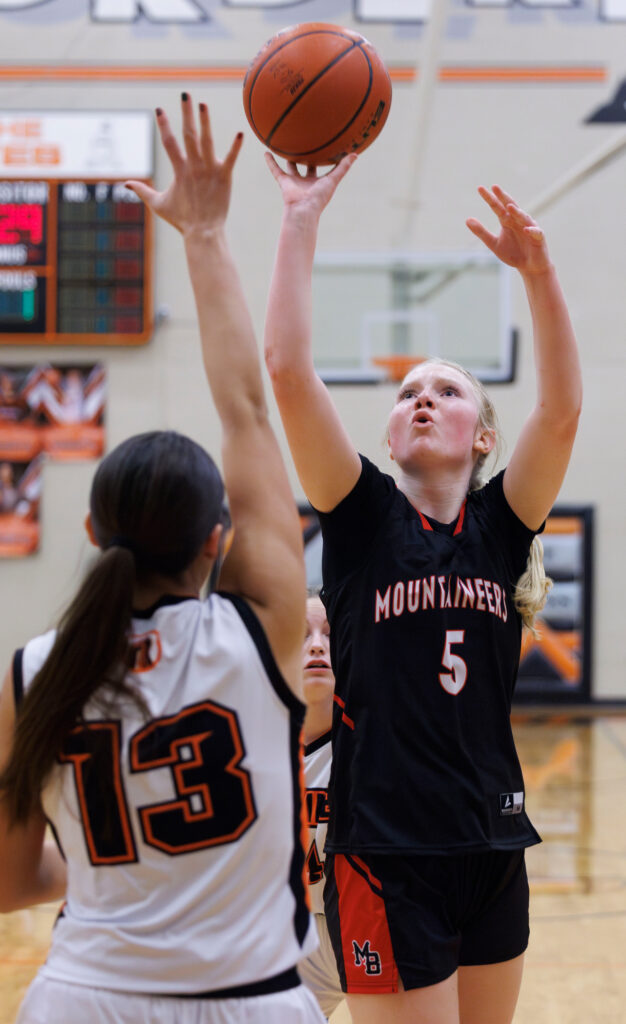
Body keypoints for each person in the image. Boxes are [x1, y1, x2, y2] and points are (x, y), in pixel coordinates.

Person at [0, 95, 324, 1024]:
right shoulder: (259, 635)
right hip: (249, 1004)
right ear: (220, 540)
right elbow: (249, 415)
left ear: (93, 535)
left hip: (81, 1002)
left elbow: (13, 878)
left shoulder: (34, 671)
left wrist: (118, 861)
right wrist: (207, 234)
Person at [263, 154, 582, 1024]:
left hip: (491, 842)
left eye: (447, 390)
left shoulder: (500, 526)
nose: (423, 399)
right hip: (388, 854)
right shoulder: (362, 516)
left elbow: (559, 414)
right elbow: (289, 372)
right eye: (407, 392)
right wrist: (300, 217)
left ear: (482, 436)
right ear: (390, 429)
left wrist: (540, 272)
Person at [299, 592, 344, 1020]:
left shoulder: (377, 736)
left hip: (366, 921)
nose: (316, 644)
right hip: (290, 932)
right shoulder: (251, 744)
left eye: (329, 635)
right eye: (303, 634)